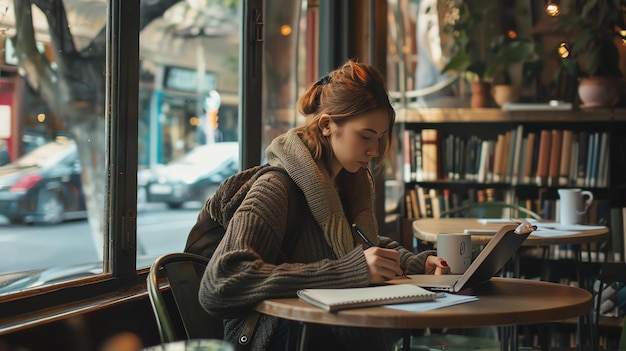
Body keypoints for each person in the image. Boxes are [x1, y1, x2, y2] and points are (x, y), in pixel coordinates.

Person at [198, 59, 450, 351]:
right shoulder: (276, 187)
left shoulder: (345, 184)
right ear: (328, 125)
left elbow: (354, 245)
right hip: (273, 339)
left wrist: (416, 263)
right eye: (366, 136)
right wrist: (350, 273)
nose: (375, 150)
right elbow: (219, 284)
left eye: (380, 138)